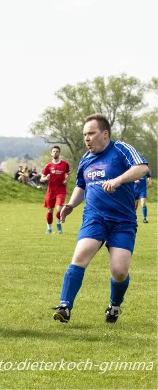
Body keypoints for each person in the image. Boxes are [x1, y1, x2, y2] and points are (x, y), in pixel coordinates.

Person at [53, 114, 148, 324]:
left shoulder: (121, 149)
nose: (87, 138)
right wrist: (70, 205)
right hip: (95, 218)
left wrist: (118, 180)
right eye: (85, 134)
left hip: (122, 221)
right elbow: (81, 185)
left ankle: (114, 306)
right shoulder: (86, 159)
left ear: (105, 134)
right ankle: (64, 305)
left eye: (91, 133)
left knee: (120, 271)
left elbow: (142, 167)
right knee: (80, 257)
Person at [40, 146, 70, 234]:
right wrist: (46, 178)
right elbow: (42, 178)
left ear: (59, 153)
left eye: (57, 151)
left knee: (59, 208)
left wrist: (66, 179)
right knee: (50, 210)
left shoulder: (64, 164)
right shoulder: (48, 166)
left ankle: (58, 224)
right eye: (53, 151)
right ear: (51, 153)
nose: (55, 153)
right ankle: (49, 228)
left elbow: (68, 173)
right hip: (51, 190)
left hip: (61, 189)